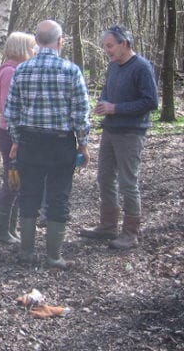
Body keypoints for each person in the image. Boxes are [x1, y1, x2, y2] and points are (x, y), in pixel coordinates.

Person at [4, 20, 90, 269]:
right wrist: (83, 145)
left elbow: (11, 113)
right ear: (60, 41)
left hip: (30, 141)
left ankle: (27, 253)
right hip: (60, 143)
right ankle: (54, 256)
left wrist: (17, 141)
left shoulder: (22, 70)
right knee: (58, 197)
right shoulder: (71, 70)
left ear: (37, 41)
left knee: (28, 195)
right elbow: (81, 114)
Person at [79, 25, 158, 249]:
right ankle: (107, 225)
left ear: (124, 44)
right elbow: (107, 91)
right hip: (110, 131)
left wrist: (116, 108)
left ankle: (130, 233)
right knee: (104, 178)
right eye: (105, 46)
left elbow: (151, 101)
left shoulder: (142, 67)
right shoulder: (113, 66)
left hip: (131, 133)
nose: (107, 50)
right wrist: (104, 105)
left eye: (110, 46)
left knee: (128, 182)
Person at [0, 32, 36, 243]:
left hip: (13, 132)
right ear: (21, 49)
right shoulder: (10, 72)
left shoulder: (15, 70)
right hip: (10, 133)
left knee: (19, 180)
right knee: (12, 180)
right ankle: (1, 230)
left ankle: (10, 228)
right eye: (31, 47)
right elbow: (9, 109)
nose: (34, 51)